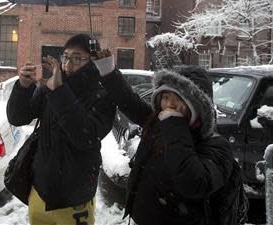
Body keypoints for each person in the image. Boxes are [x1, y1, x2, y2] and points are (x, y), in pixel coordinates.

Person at [93, 50, 233, 225]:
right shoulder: (158, 124)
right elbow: (129, 101)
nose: (169, 105)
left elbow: (193, 183)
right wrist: (108, 71)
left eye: (179, 99)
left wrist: (175, 126)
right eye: (166, 97)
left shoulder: (216, 147)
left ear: (197, 105)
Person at [6, 34, 116, 225]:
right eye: (65, 57)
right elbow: (17, 118)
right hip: (40, 190)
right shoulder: (49, 87)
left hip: (75, 198)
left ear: (92, 61)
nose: (68, 64)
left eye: (77, 58)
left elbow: (86, 137)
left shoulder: (102, 95)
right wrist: (23, 88)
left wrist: (59, 92)